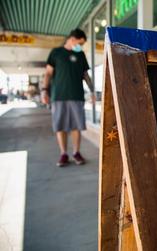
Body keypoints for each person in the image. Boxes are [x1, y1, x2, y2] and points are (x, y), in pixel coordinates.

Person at [41, 28, 95, 167]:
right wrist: (44, 91)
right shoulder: (56, 53)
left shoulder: (81, 55)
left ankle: (76, 152)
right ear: (72, 39)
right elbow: (48, 73)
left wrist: (92, 91)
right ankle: (63, 154)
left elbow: (85, 75)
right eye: (80, 43)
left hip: (77, 96)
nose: (80, 46)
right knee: (61, 127)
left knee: (76, 126)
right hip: (59, 96)